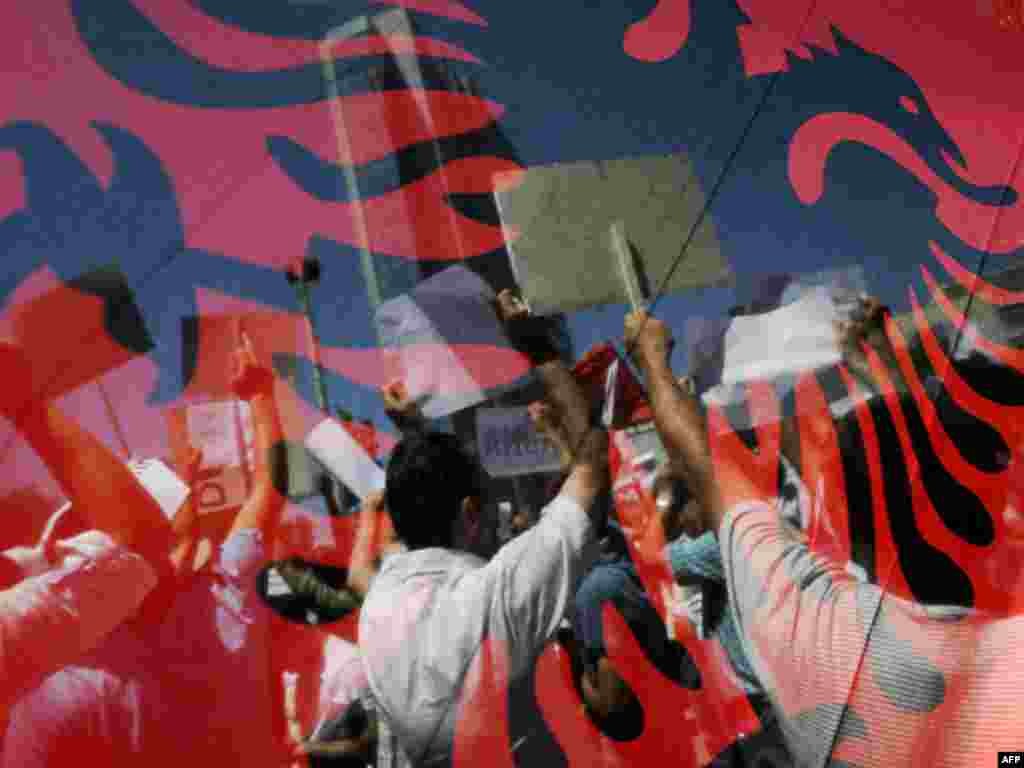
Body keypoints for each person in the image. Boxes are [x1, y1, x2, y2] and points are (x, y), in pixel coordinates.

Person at [625, 301, 1024, 767]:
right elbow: (932, 468)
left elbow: (708, 472)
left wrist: (651, 360)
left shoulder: (828, 643)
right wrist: (881, 364)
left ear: (841, 521)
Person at [358, 290, 609, 766]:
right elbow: (592, 467)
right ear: (471, 513)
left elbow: (409, 514)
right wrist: (537, 348)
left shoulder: (377, 606)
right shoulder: (494, 600)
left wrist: (413, 433)